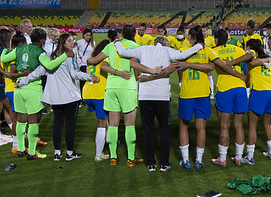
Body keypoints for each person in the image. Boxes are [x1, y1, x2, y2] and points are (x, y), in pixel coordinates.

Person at [114, 35, 202, 172]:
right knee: (164, 130)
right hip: (162, 97)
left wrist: (117, 43)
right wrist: (198, 46)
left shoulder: (142, 49)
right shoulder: (167, 50)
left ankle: (150, 163)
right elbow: (184, 55)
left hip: (145, 96)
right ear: (165, 43)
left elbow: (123, 52)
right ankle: (164, 163)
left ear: (154, 43)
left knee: (148, 130)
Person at [87, 25, 160, 167]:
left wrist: (113, 71)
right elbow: (135, 64)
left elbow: (97, 62)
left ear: (121, 34)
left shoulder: (111, 45)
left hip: (111, 87)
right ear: (134, 34)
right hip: (127, 87)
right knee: (129, 124)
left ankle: (113, 158)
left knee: (113, 125)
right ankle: (131, 159)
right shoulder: (134, 45)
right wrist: (151, 71)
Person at [0, 27, 65, 159]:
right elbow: (50, 66)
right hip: (33, 89)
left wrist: (5, 50)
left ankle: (21, 149)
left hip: (18, 88)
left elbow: (4, 59)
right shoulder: (40, 52)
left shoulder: (19, 49)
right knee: (34, 121)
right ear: (42, 40)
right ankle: (32, 152)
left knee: (21, 121)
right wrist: (65, 55)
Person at [41, 33, 99, 162]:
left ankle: (57, 153)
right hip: (69, 96)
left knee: (57, 123)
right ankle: (69, 153)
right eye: (69, 41)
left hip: (55, 97)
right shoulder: (69, 56)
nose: (72, 43)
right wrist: (90, 77)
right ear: (63, 43)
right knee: (70, 125)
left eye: (72, 40)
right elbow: (74, 74)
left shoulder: (52, 56)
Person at [173, 25, 221, 170]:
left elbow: (179, 66)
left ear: (192, 37)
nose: (187, 37)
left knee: (183, 125)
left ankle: (186, 160)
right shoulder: (207, 50)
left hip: (187, 93)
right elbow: (211, 66)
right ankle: (199, 160)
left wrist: (188, 64)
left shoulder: (185, 51)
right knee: (201, 128)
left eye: (189, 36)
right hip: (202, 93)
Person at [208, 28, 252, 168]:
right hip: (240, 89)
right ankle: (238, 158)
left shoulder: (213, 51)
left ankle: (222, 159)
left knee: (224, 126)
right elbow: (247, 66)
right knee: (239, 126)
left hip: (225, 89)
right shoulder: (238, 49)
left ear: (216, 39)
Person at [244, 38, 271, 163]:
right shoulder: (268, 58)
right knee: (267, 123)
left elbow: (252, 63)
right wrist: (268, 59)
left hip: (259, 91)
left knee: (252, 125)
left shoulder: (252, 59)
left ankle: (250, 157)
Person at [83, 39, 111, 162]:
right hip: (99, 94)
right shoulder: (106, 60)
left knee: (105, 118)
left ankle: (110, 139)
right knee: (101, 124)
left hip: (87, 93)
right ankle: (98, 154)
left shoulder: (91, 60)